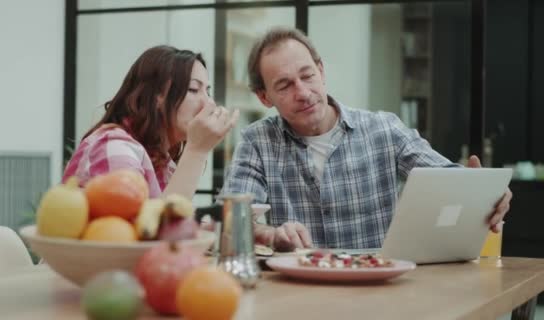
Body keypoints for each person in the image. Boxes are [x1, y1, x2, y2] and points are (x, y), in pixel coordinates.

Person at [220, 27, 512, 252]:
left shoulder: (383, 129)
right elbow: (236, 221)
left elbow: (447, 179)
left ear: (321, 71)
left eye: (307, 76)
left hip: (379, 286)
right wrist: (272, 234)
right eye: (284, 85)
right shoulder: (257, 141)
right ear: (264, 97)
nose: (303, 92)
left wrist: (486, 193)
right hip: (297, 291)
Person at [63, 45, 239, 199]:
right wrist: (197, 151)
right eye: (193, 89)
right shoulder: (115, 147)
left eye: (207, 91)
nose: (209, 103)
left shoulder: (161, 160)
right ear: (156, 96)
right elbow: (147, 233)